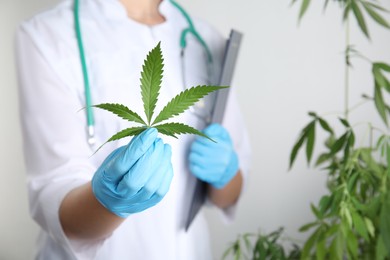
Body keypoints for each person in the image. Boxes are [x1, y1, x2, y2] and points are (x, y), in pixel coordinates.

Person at [15, 0, 251, 259]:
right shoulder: (46, 34)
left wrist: (225, 174)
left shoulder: (206, 38)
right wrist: (110, 202)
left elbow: (231, 194)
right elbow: (55, 197)